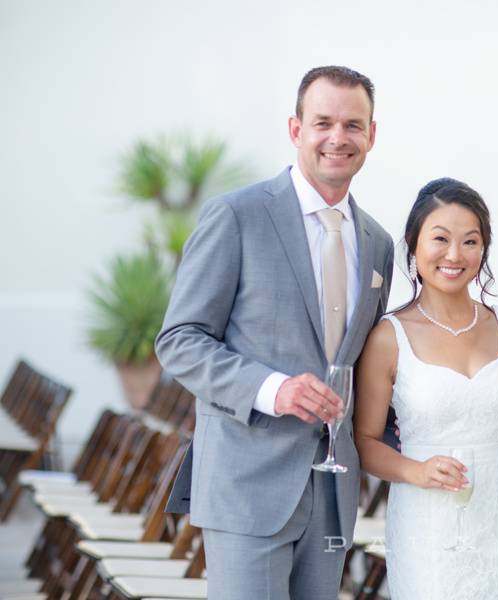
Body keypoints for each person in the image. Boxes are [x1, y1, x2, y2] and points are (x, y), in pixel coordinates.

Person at [155, 66, 394, 600]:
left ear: (371, 135)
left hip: (333, 493)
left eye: (353, 125)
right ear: (295, 129)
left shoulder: (378, 242)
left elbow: (369, 364)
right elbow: (180, 339)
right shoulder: (236, 216)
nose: (338, 137)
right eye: (323, 122)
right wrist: (273, 389)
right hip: (247, 484)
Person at [354, 178, 498, 600]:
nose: (455, 255)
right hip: (426, 525)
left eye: (470, 241)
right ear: (413, 244)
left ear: (484, 249)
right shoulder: (389, 336)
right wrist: (416, 470)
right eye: (440, 239)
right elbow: (365, 441)